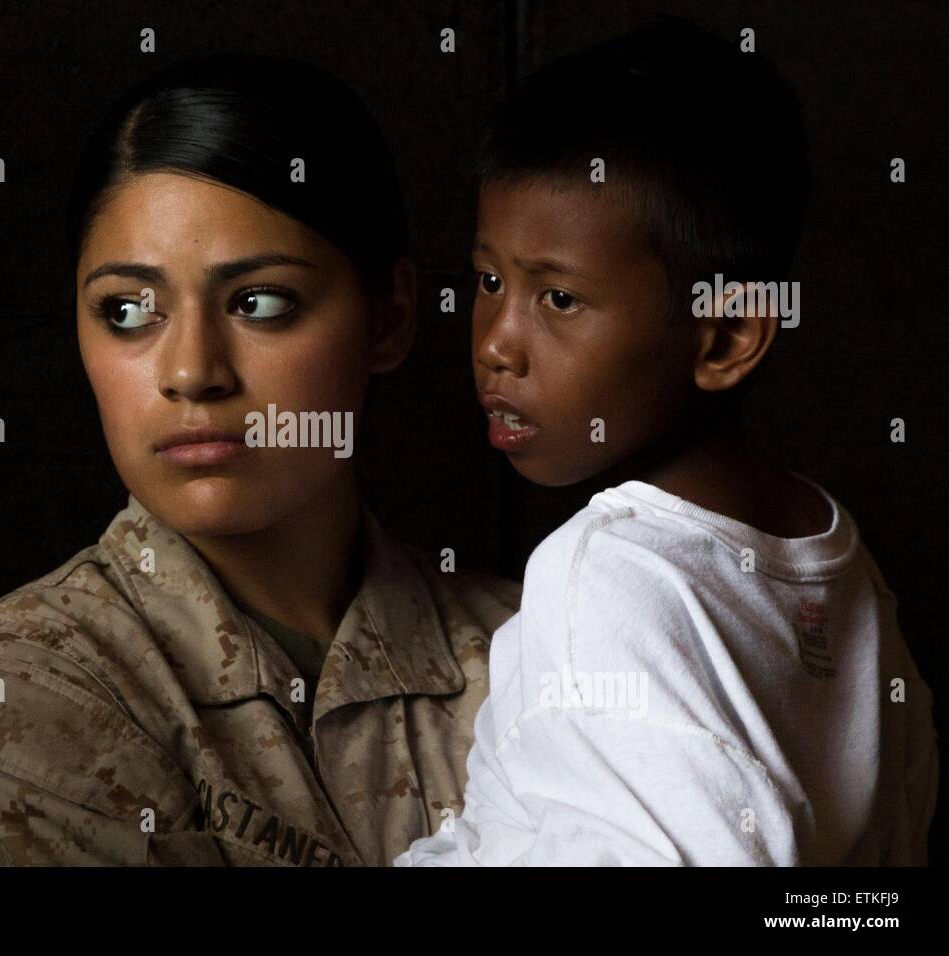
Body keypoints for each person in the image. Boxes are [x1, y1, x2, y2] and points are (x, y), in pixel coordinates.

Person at [0, 52, 521, 866]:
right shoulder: (33, 681)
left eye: (259, 302)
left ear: (390, 319)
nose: (191, 371)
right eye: (128, 311)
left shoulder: (542, 650)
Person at [396, 18, 938, 866]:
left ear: (723, 336)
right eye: (491, 280)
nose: (496, 342)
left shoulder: (603, 576)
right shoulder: (841, 564)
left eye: (559, 299)